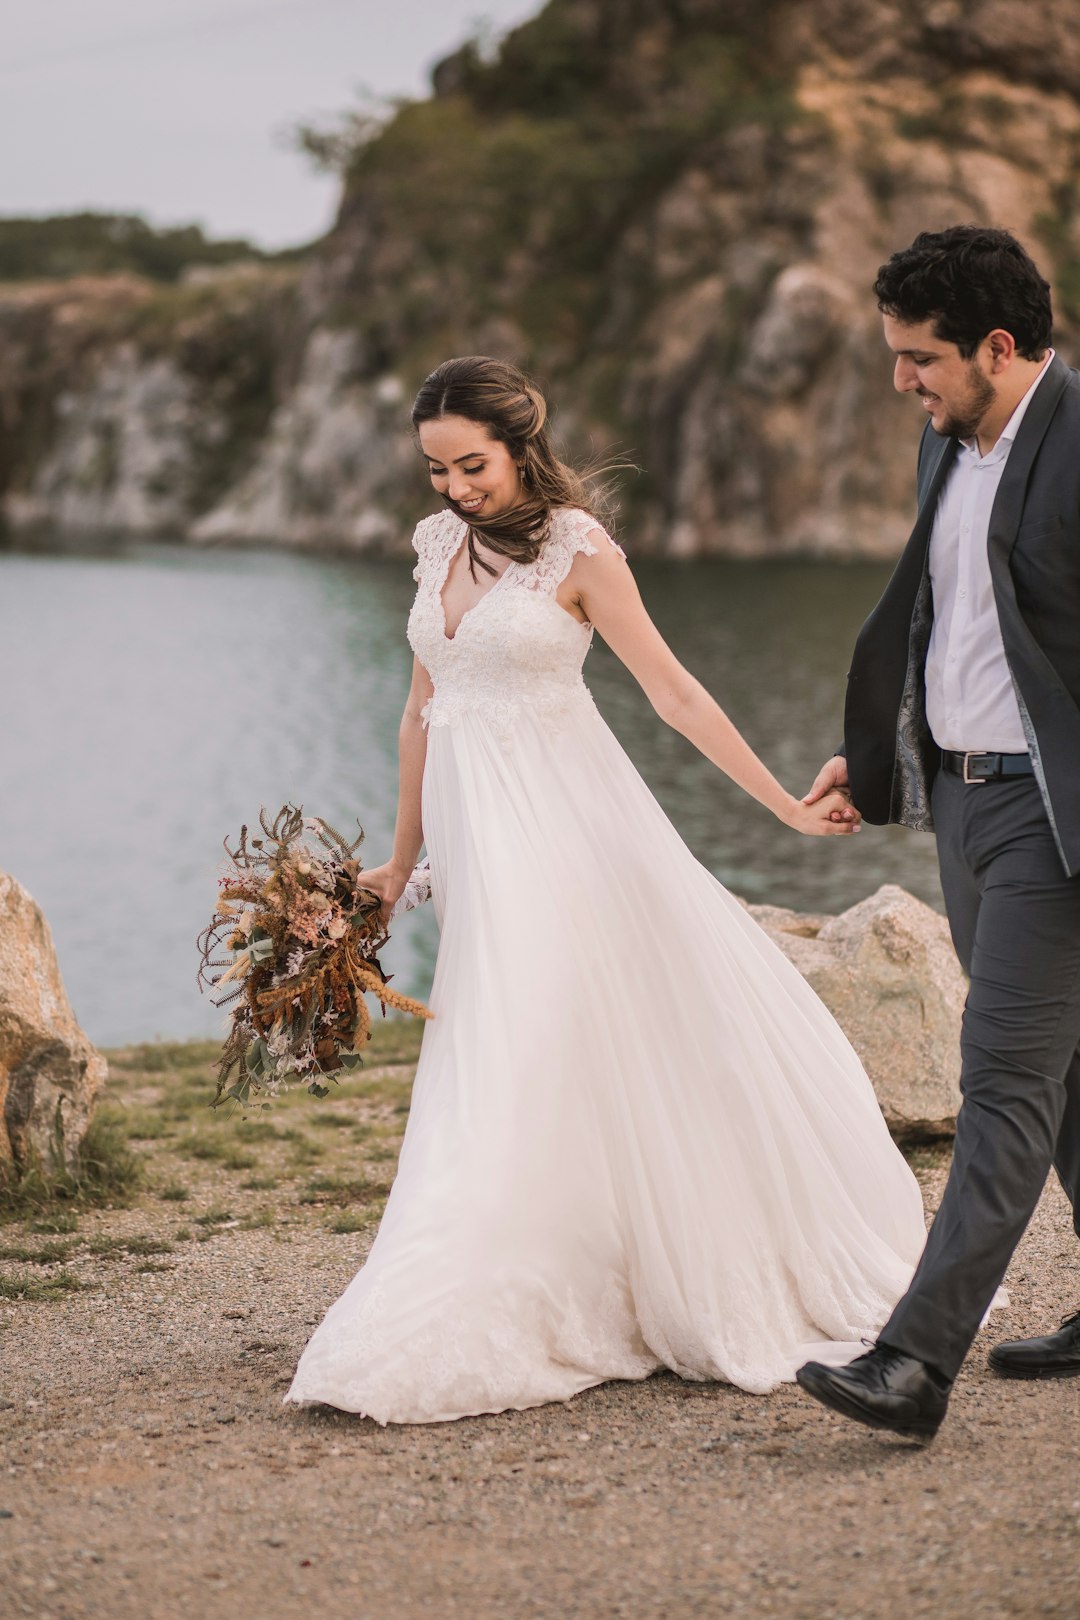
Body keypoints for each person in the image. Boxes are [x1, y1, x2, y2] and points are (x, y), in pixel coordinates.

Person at [284, 355, 928, 1425]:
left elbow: (674, 694)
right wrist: (400, 867)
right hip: (478, 840)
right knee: (503, 1046)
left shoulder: (583, 551)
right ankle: (545, 1260)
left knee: (537, 1039)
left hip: (569, 830)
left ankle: (562, 1280)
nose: (453, 489)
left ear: (520, 442)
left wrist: (779, 804)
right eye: (437, 470)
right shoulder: (435, 544)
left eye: (471, 466)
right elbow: (419, 713)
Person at [797, 225, 1080, 1443]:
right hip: (963, 798)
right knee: (1067, 1081)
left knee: (1005, 1080)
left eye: (921, 359)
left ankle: (914, 1364)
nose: (903, 382)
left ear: (999, 347)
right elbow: (942, 619)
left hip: (1053, 818)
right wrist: (879, 758)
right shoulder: (949, 443)